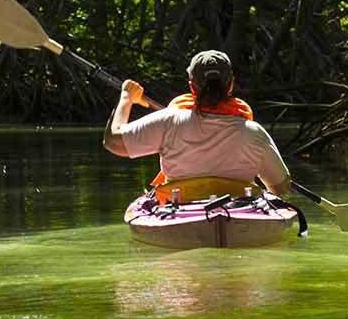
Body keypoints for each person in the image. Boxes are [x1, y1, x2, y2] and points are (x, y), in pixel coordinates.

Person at [104, 48, 292, 203]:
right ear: (231, 84)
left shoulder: (168, 121)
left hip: (180, 208)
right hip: (239, 210)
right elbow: (281, 188)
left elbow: (113, 141)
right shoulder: (254, 132)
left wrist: (126, 98)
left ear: (192, 86)